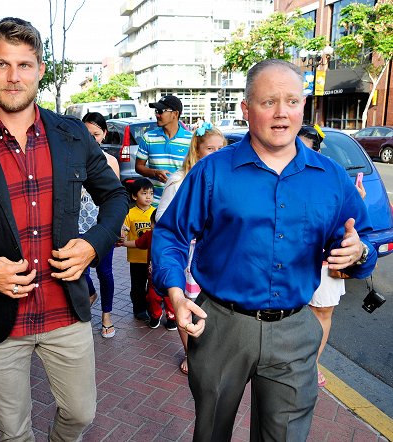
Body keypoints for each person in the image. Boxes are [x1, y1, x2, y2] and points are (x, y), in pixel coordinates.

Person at [152, 59, 377, 441]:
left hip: (294, 330)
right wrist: (175, 292)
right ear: (246, 108)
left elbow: (363, 242)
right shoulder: (212, 171)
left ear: (303, 105)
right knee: (211, 432)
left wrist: (358, 253)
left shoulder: (331, 177)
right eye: (268, 101)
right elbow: (170, 235)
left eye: (291, 101)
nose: (281, 113)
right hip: (220, 327)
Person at [0, 17, 127, 441]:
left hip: (65, 309)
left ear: (39, 70)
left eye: (25, 65)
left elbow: (115, 198)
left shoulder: (72, 135)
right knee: (13, 434)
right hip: (0, 317)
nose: (13, 77)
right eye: (2, 65)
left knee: (80, 414)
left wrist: (92, 246)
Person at [298, 124, 366, 388]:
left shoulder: (330, 176)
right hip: (297, 258)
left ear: (316, 152)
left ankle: (312, 365)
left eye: (305, 149)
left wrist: (357, 201)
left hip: (326, 260)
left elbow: (353, 222)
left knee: (322, 312)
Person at [156, 122, 226, 375]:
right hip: (188, 258)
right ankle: (190, 354)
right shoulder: (179, 181)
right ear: (197, 149)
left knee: (210, 308)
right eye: (210, 148)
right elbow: (164, 222)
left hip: (216, 258)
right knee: (188, 305)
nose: (217, 152)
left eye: (221, 147)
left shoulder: (226, 179)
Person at [80, 112, 119, 338]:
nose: (91, 138)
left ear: (104, 134)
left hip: (102, 226)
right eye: (87, 134)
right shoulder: (71, 159)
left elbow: (115, 197)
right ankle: (90, 294)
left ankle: (106, 316)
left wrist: (117, 225)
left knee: (105, 271)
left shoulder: (110, 161)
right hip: (77, 225)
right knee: (79, 270)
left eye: (96, 134)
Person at [123, 209, 177, 332]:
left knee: (170, 298)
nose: (158, 227)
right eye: (155, 223)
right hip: (153, 276)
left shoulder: (173, 237)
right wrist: (124, 243)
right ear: (151, 224)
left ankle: (171, 318)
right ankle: (155, 316)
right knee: (153, 297)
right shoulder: (149, 235)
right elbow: (137, 243)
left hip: (170, 276)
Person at [135, 95, 192, 206]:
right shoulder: (148, 137)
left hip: (181, 203)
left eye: (161, 111)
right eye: (156, 111)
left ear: (175, 114)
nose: (157, 115)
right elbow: (138, 167)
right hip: (153, 205)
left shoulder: (191, 140)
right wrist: (155, 173)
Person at [121, 178, 155, 321]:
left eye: (151, 193)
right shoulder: (130, 213)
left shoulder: (156, 212)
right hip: (136, 257)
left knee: (152, 284)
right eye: (144, 193)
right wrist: (122, 234)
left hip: (152, 258)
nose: (148, 197)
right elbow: (124, 229)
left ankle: (152, 305)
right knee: (138, 285)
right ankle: (139, 308)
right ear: (134, 196)